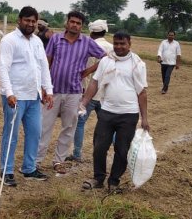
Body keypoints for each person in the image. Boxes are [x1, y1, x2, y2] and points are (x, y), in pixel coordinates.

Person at [78, 31, 149, 191]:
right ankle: (98, 178)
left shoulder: (137, 64)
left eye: (122, 43)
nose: (118, 46)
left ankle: (114, 182)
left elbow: (142, 92)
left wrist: (144, 118)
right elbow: (94, 83)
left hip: (128, 114)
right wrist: (83, 103)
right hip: (107, 112)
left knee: (122, 150)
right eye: (116, 43)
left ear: (129, 44)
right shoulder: (106, 61)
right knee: (99, 147)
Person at [37, 11, 105, 175]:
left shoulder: (87, 42)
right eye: (72, 22)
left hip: (74, 91)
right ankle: (36, 161)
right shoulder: (55, 38)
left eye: (78, 23)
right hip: (53, 91)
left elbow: (104, 57)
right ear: (67, 23)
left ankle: (58, 161)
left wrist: (87, 71)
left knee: (68, 128)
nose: (75, 25)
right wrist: (44, 87)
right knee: (44, 127)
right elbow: (48, 61)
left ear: (82, 26)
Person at [0, 6, 54, 186]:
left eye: (33, 21)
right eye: (27, 20)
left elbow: (43, 66)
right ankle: (7, 170)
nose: (30, 24)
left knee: (35, 133)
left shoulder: (37, 41)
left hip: (34, 96)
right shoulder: (9, 40)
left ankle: (29, 168)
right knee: (11, 134)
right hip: (15, 97)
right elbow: (2, 68)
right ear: (19, 20)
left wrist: (48, 90)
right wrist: (9, 93)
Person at [72, 19, 114, 160]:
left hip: (88, 93)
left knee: (80, 123)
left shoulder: (87, 45)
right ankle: (121, 152)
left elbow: (82, 69)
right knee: (109, 125)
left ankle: (77, 153)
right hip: (105, 94)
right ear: (104, 31)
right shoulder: (112, 47)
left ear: (91, 31)